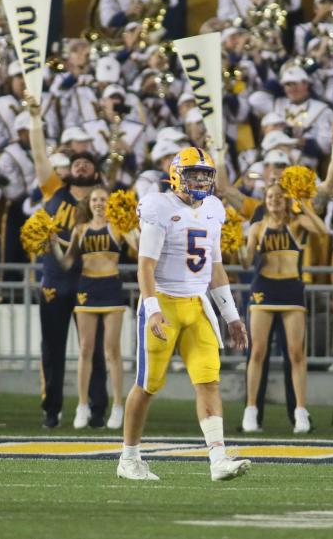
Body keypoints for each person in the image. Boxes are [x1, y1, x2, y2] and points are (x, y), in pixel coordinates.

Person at [116, 147, 251, 482]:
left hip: (197, 305)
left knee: (209, 382)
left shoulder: (214, 209)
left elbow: (216, 268)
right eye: (194, 174)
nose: (201, 180)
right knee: (147, 386)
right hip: (163, 302)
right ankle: (129, 458)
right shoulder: (160, 206)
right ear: (177, 175)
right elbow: (144, 267)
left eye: (206, 174)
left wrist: (231, 316)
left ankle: (218, 459)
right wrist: (153, 311)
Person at [27, 97, 108, 429]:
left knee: (95, 350)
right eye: (77, 162)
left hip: (91, 281)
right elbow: (38, 157)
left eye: (88, 163)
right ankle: (52, 408)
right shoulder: (53, 190)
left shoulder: (103, 200)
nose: (82, 165)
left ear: (96, 173)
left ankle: (97, 409)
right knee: (52, 349)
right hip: (54, 280)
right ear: (69, 169)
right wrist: (35, 120)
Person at [239, 182, 327, 434]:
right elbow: (246, 262)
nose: (274, 200)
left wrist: (304, 206)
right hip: (264, 288)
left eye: (279, 196)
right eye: (269, 196)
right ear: (264, 200)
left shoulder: (297, 224)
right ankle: (251, 411)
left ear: (286, 200)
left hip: (291, 290)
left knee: (296, 352)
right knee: (257, 351)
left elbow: (323, 230)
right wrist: (238, 244)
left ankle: (301, 412)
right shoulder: (257, 227)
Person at [51, 185, 139, 430]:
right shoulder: (80, 229)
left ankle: (118, 406)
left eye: (103, 199)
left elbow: (139, 248)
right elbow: (67, 262)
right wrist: (54, 244)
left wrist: (132, 224)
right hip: (87, 288)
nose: (98, 203)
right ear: (88, 204)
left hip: (111, 288)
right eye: (95, 200)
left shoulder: (118, 227)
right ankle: (82, 406)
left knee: (112, 351)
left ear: (109, 203)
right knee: (85, 349)